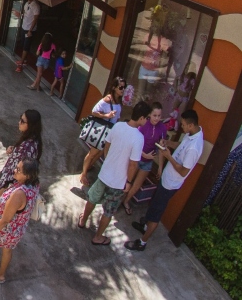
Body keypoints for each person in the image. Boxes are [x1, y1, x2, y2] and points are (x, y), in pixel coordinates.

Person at [125, 109, 204, 251]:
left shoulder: (194, 148)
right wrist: (167, 142)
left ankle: (142, 242)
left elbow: (183, 171)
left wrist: (168, 157)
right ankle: (144, 226)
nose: (182, 127)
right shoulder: (191, 134)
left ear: (191, 125)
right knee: (153, 204)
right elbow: (180, 145)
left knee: (156, 214)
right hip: (165, 179)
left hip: (170, 185)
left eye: (184, 125)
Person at [79, 100, 150, 246]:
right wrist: (129, 182)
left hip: (105, 173)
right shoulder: (138, 138)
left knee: (92, 198)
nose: (146, 120)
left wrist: (108, 159)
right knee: (108, 211)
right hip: (118, 182)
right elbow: (133, 163)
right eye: (147, 117)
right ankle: (98, 236)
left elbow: (107, 144)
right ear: (142, 118)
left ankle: (83, 220)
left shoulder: (118, 126)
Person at [0, 109, 43, 221]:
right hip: (9, 181)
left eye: (22, 121)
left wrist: (10, 186)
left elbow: (24, 168)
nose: (19, 122)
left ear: (30, 125)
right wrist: (13, 151)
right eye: (20, 118)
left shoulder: (28, 146)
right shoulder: (33, 141)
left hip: (10, 182)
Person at [122, 102, 167, 216]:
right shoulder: (143, 125)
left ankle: (126, 202)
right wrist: (144, 154)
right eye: (154, 115)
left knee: (137, 185)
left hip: (148, 162)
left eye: (159, 116)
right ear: (149, 115)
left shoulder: (162, 128)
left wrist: (160, 167)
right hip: (136, 158)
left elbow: (161, 148)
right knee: (128, 180)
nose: (156, 118)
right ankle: (117, 199)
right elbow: (134, 142)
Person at [80, 77, 126, 186]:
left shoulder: (119, 100)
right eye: (121, 87)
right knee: (93, 153)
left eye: (124, 87)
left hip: (110, 131)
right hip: (102, 130)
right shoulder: (107, 100)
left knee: (100, 152)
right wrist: (106, 115)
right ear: (114, 87)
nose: (123, 89)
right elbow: (94, 111)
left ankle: (88, 167)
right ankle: (83, 174)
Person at [14, 0, 40, 73]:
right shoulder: (26, 4)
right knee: (23, 43)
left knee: (26, 46)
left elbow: (35, 19)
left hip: (29, 29)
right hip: (24, 27)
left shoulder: (36, 6)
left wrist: (30, 30)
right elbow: (25, 14)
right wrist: (20, 15)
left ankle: (21, 65)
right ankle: (24, 60)